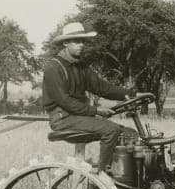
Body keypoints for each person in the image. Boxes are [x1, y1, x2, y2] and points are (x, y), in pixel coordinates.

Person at [41, 21, 140, 179]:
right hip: (63, 120)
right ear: (65, 43)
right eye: (77, 41)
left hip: (79, 117)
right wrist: (95, 111)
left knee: (131, 135)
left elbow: (102, 88)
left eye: (83, 42)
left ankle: (127, 180)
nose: (81, 45)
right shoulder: (53, 68)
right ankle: (103, 177)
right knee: (111, 130)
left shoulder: (81, 67)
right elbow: (64, 101)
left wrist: (132, 94)